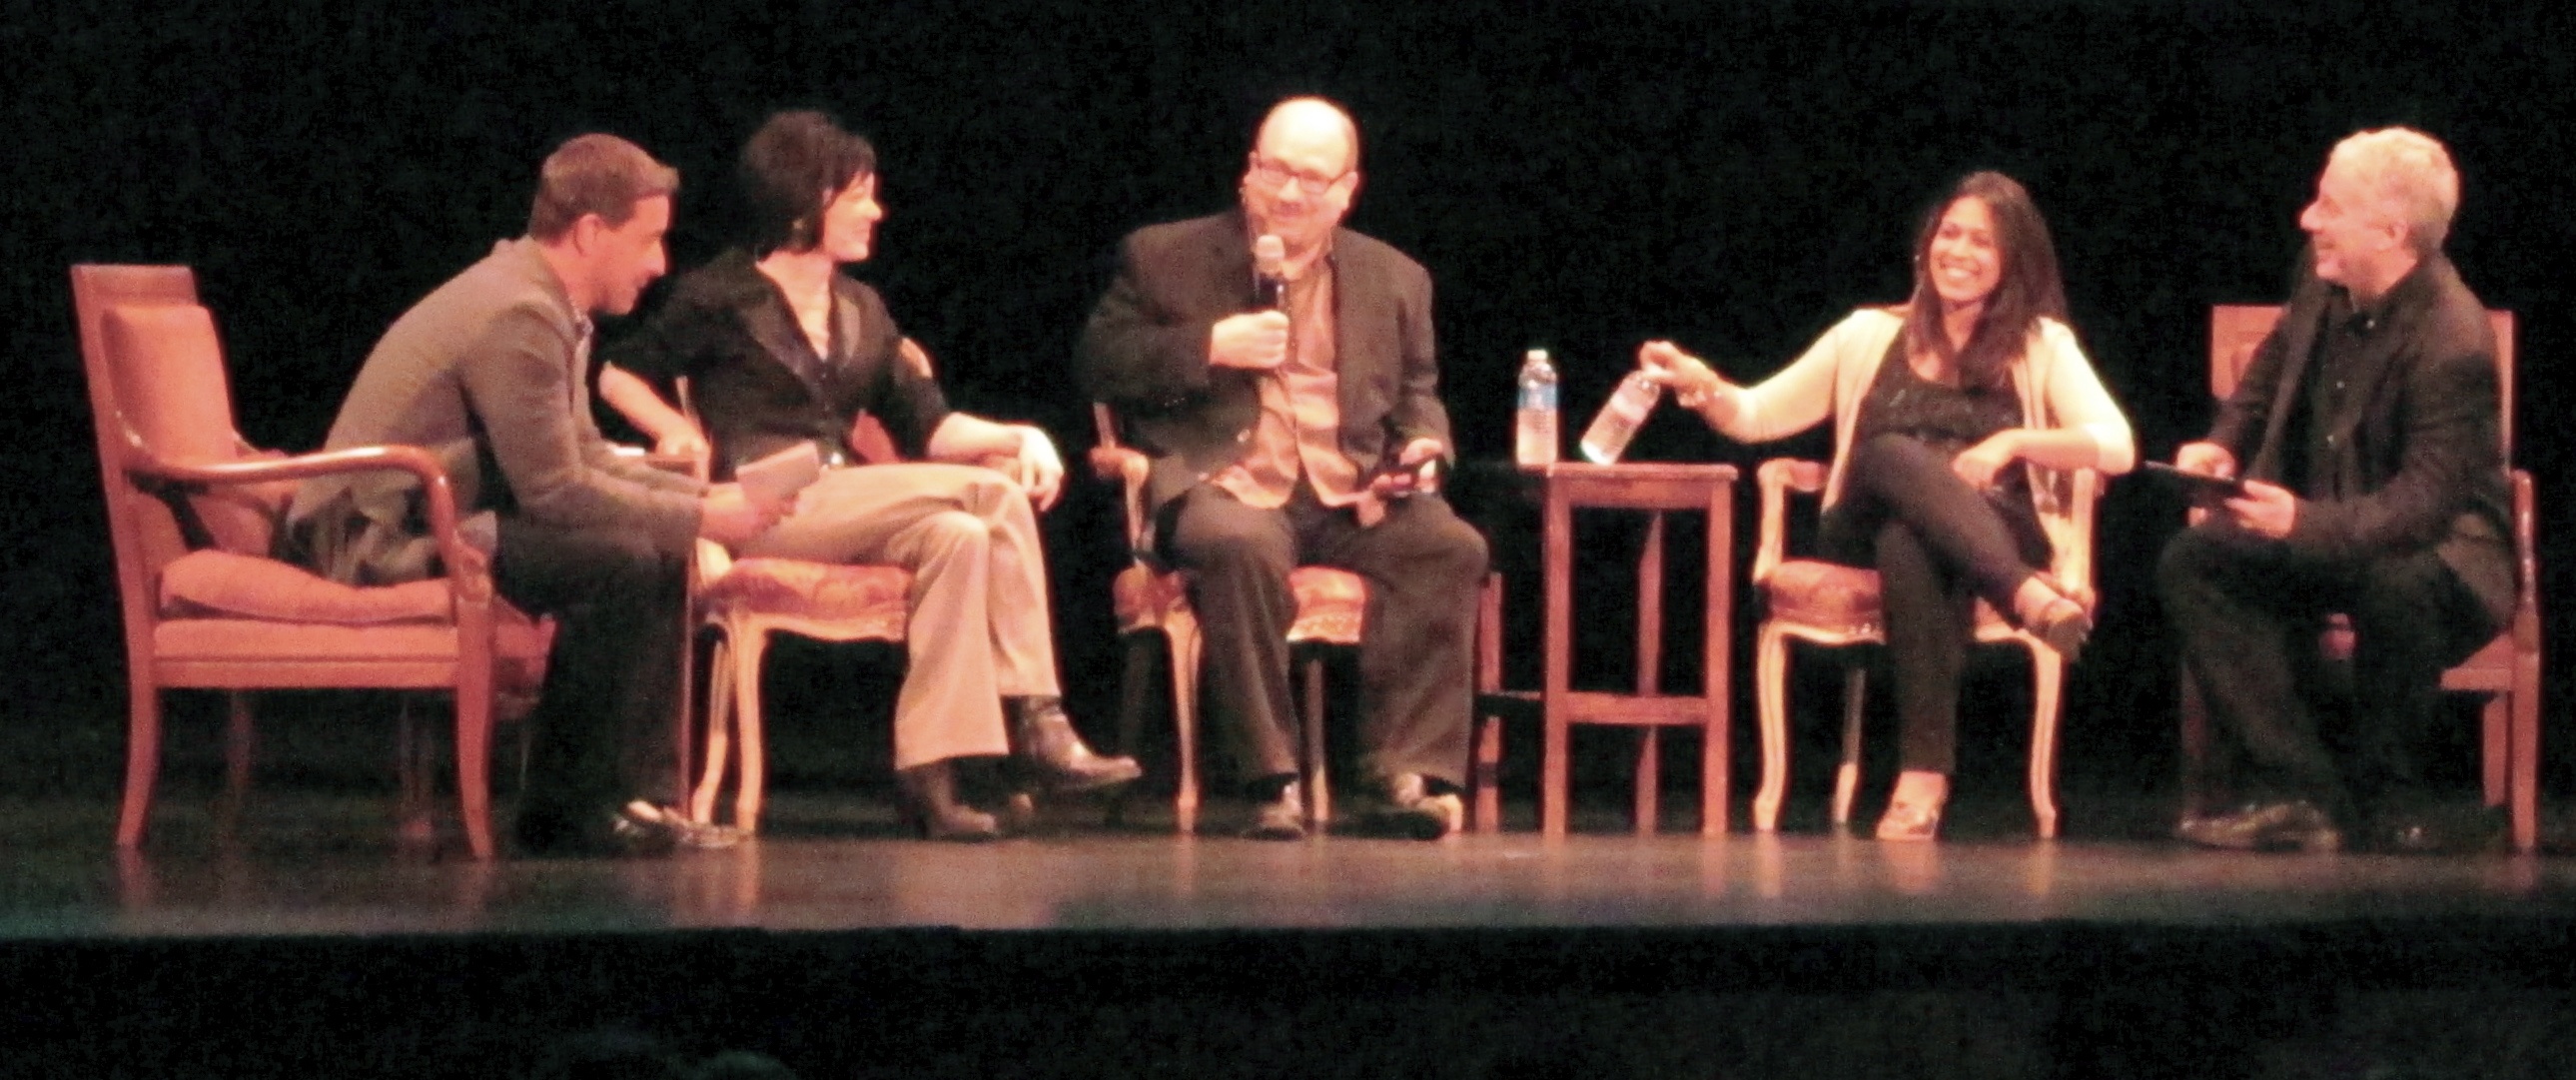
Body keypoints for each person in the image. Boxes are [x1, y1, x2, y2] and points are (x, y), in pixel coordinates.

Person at [597, 111, 1139, 841]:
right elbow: (618, 372)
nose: (876, 210)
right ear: (806, 199)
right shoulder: (717, 294)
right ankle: (1035, 719)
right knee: (992, 492)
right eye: (860, 194)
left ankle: (932, 774)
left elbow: (932, 429)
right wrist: (673, 428)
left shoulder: (864, 307)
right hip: (762, 503)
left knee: (957, 535)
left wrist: (1020, 432)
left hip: (847, 498)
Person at [283, 135, 785, 857]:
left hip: (450, 510)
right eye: (648, 240)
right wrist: (703, 514)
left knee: (651, 545)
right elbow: (553, 490)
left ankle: (631, 795)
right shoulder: (519, 312)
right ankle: (566, 807)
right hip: (375, 536)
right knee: (621, 561)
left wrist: (704, 494)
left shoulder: (547, 302)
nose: (659, 264)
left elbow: (579, 454)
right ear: (589, 232)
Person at [1637, 171, 2134, 841]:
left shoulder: (2039, 342)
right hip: (1860, 526)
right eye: (1948, 233)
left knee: (1910, 539)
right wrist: (1702, 384)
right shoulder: (1866, 333)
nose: (1957, 251)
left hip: (1987, 524)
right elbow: (1755, 414)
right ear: (1925, 245)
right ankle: (2024, 597)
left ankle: (1921, 778)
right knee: (1887, 453)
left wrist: (2014, 440)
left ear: (2012, 260)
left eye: (1981, 242)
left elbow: (2116, 445)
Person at [1079, 96, 1488, 840]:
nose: (1290, 193)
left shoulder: (1396, 277)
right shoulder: (1164, 255)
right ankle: (1272, 777)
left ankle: (1399, 774)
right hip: (1225, 485)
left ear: (1346, 191)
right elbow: (1100, 361)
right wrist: (1207, 345)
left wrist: (1425, 447)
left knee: (1449, 546)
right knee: (1241, 544)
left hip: (1347, 491)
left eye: (1311, 178)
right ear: (1248, 172)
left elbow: (1417, 396)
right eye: (1275, 171)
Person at [2160, 128, 2513, 854]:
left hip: (2439, 558)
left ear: (2390, 232)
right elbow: (2274, 360)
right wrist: (2224, 440)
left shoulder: (2453, 341)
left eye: (2328, 205)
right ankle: (2299, 789)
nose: (2307, 219)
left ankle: (2387, 792)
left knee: (2397, 578)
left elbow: (2418, 510)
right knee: (2195, 559)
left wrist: (2299, 523)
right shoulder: (2323, 272)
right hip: (2328, 529)